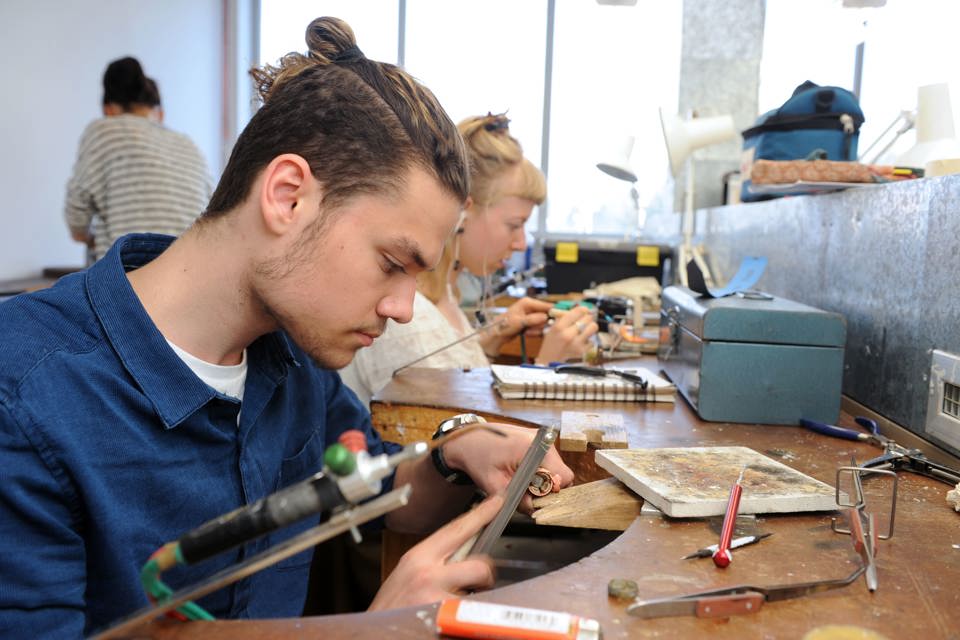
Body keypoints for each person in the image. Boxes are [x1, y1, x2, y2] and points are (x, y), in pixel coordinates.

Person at [0, 18, 572, 637]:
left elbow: (377, 489)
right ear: (288, 196)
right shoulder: (25, 396)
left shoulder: (291, 359)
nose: (405, 309)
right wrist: (364, 632)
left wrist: (455, 454)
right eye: (390, 264)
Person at [340, 113, 599, 406]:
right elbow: (452, 439)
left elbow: (456, 383)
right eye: (515, 225)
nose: (521, 243)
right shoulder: (408, 317)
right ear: (464, 211)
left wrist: (491, 341)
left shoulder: (444, 295)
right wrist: (545, 368)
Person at [64, 56, 212, 261]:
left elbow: (77, 217)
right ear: (159, 112)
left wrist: (88, 238)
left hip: (132, 279)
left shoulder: (103, 131)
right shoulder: (189, 144)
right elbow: (212, 212)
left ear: (108, 109)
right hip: (193, 271)